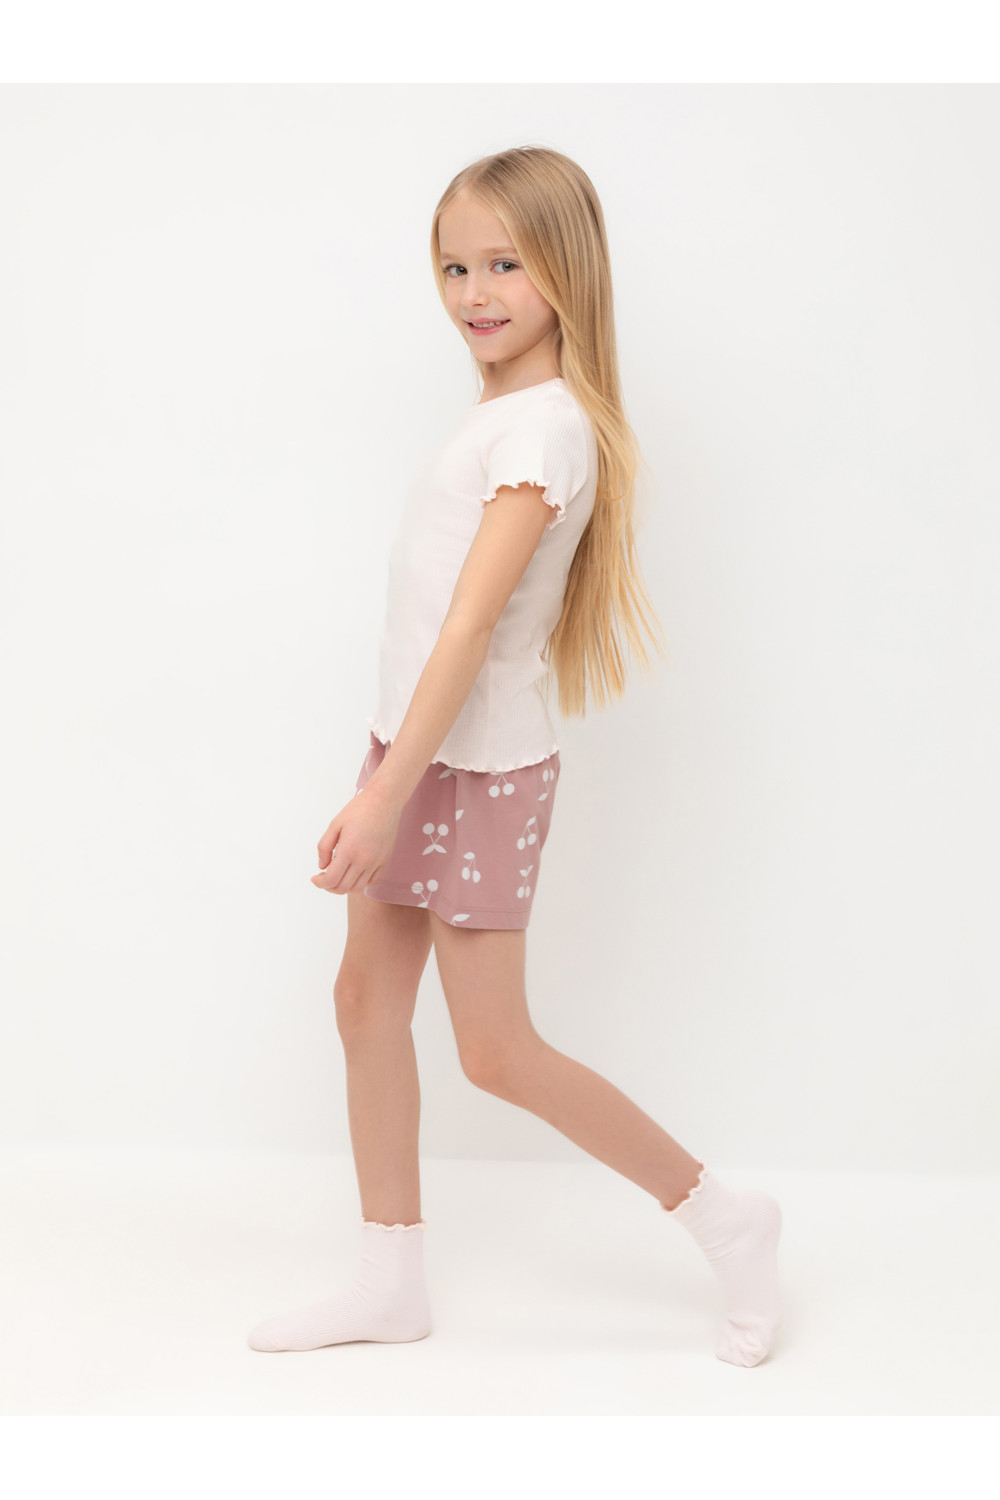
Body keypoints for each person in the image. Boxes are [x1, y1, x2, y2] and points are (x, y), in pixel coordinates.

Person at [247, 146, 783, 1368]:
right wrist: (390, 768)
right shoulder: (503, 417)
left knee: (495, 1050)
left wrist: (385, 795)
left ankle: (725, 1217)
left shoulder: (543, 431)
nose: (475, 292)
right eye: (454, 267)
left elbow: (469, 628)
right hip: (416, 753)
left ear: (566, 270)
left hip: (466, 774)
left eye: (505, 264)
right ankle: (389, 1280)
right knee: (363, 1001)